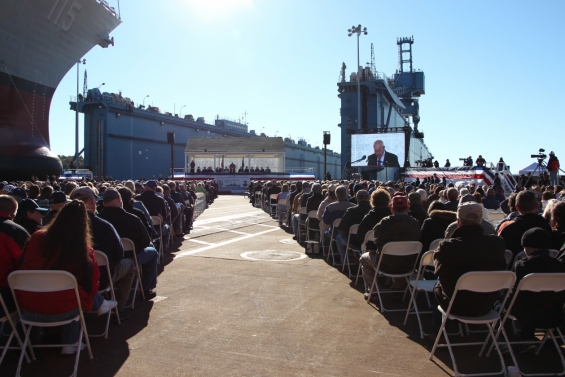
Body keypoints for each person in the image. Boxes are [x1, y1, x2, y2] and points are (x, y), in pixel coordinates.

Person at [18, 200, 117, 354]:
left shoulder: (36, 238)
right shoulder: (82, 249)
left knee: (68, 287)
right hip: (63, 309)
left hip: (26, 306)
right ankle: (71, 342)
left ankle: (99, 304)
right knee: (75, 290)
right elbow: (91, 286)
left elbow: (22, 263)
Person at [431, 202, 505, 338]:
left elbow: (438, 271)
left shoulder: (447, 247)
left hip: (455, 305)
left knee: (438, 281)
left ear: (458, 222)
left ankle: (440, 333)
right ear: (481, 221)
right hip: (486, 303)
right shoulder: (497, 244)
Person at [98, 188, 158, 300]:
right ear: (119, 199)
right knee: (153, 252)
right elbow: (145, 241)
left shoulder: (98, 221)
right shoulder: (133, 218)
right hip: (130, 256)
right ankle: (147, 288)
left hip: (105, 260)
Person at [511, 228, 565, 349]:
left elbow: (514, 291)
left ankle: (513, 340)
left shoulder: (522, 266)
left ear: (529, 247)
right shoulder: (560, 267)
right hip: (554, 316)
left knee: (504, 300)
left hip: (526, 317)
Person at [359, 195, 420, 292]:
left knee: (363, 258)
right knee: (400, 254)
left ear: (392, 208)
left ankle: (374, 291)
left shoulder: (384, 222)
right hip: (409, 265)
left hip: (385, 264)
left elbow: (376, 240)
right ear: (408, 208)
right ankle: (398, 286)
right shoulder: (416, 224)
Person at [499, 190, 552, 257]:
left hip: (515, 266)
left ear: (517, 207)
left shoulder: (508, 229)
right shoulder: (547, 226)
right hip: (545, 266)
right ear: (536, 205)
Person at [335, 190, 372, 262]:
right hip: (370, 243)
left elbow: (341, 229)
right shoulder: (373, 210)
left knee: (338, 237)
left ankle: (344, 261)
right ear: (368, 198)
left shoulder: (351, 211)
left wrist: (348, 233)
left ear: (357, 198)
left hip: (353, 242)